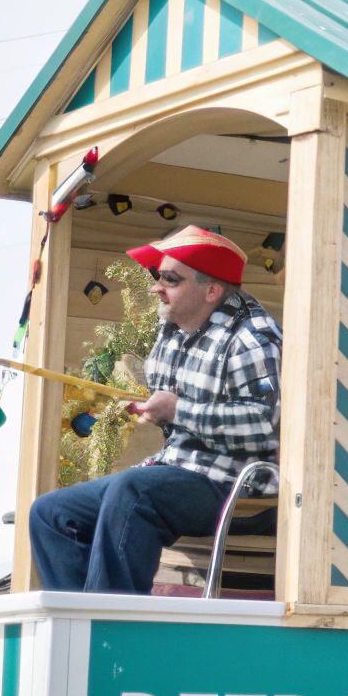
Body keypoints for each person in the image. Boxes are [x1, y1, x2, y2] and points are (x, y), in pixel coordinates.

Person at [31, 226, 280, 593]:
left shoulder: (253, 337)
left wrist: (179, 411)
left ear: (211, 290)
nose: (156, 287)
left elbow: (265, 425)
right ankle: (79, 622)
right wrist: (151, 407)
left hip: (238, 484)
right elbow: (173, 406)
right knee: (51, 514)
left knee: (135, 492)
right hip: (182, 470)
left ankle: (110, 631)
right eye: (157, 276)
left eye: (170, 279)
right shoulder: (173, 327)